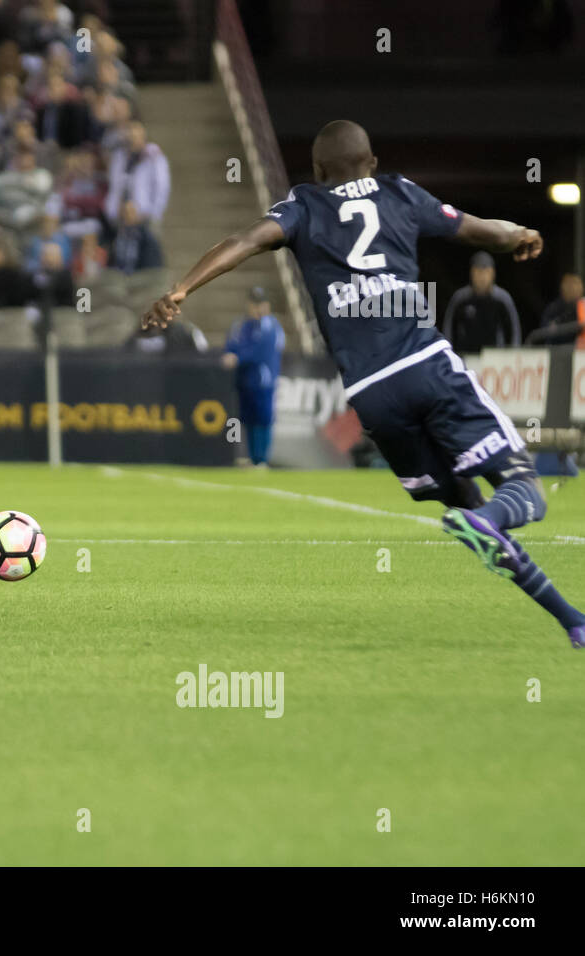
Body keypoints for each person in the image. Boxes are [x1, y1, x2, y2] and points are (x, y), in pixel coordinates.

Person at [143, 120, 585, 649]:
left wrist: (181, 289)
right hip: (424, 363)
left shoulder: (303, 206)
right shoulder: (401, 193)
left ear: (317, 170)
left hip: (372, 395)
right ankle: (499, 528)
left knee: (463, 508)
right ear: (370, 162)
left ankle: (570, 619)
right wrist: (521, 235)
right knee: (524, 491)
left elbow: (246, 240)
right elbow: (477, 231)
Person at [225, 287, 286, 466]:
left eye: (261, 304)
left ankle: (262, 458)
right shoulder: (241, 325)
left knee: (263, 419)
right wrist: (231, 354)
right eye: (255, 304)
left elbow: (260, 351)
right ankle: (253, 458)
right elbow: (231, 344)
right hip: (244, 379)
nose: (258, 308)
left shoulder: (271, 325)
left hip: (263, 380)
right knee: (248, 419)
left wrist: (237, 357)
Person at [441, 251, 521, 352]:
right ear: (471, 273)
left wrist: (513, 352)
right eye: (478, 272)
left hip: (494, 356)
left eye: (486, 272)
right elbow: (449, 328)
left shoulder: (502, 299)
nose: (482, 277)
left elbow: (514, 329)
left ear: (493, 274)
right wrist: (448, 352)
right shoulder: (460, 298)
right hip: (467, 356)